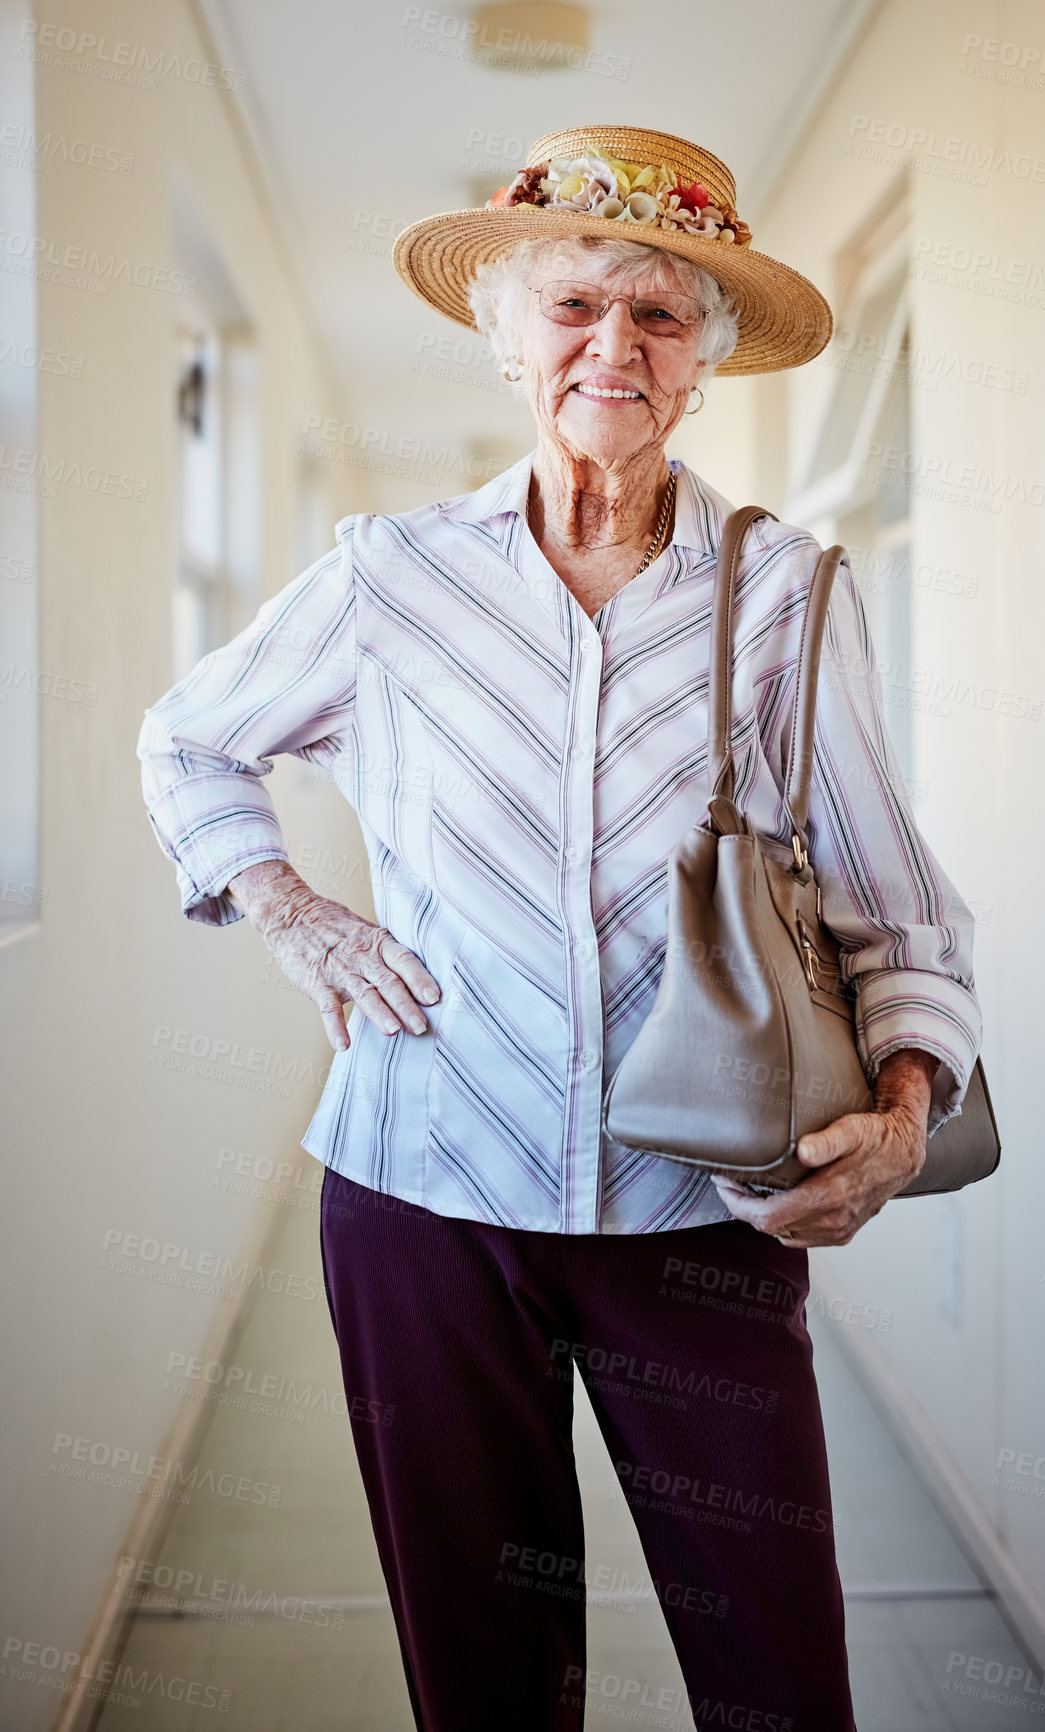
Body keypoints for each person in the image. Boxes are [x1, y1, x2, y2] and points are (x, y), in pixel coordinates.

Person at [138, 125, 982, 1731]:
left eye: (661, 317)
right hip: (421, 1194)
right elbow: (188, 739)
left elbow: (889, 897)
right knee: (485, 1675)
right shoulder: (388, 579)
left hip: (707, 1218)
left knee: (778, 1678)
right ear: (508, 337)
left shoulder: (789, 591)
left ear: (704, 366)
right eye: (579, 307)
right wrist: (293, 909)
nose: (616, 347)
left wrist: (901, 1110)